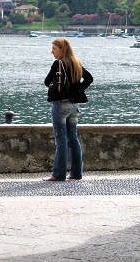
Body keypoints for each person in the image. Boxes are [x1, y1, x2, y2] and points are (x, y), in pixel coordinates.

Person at [43, 38, 93, 181]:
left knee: (61, 139)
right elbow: (89, 78)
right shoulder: (75, 62)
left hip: (60, 105)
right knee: (73, 138)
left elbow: (47, 82)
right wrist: (76, 91)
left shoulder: (58, 63)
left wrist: (63, 91)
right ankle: (77, 173)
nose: (51, 51)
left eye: (54, 48)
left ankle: (59, 174)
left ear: (61, 49)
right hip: (74, 106)